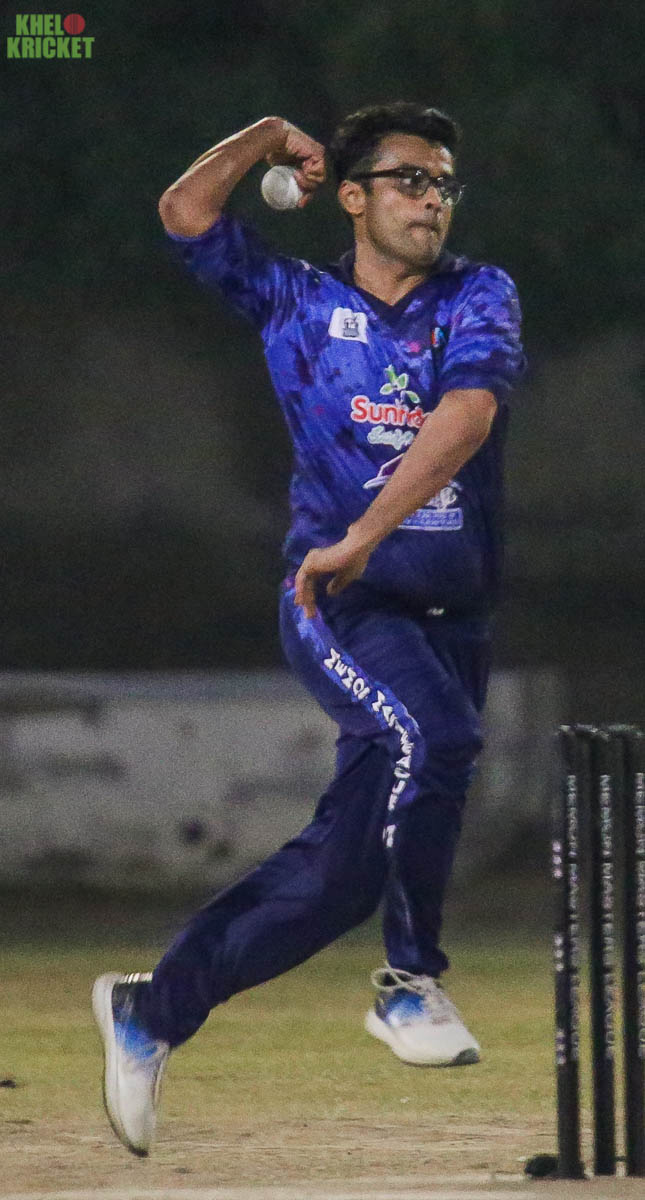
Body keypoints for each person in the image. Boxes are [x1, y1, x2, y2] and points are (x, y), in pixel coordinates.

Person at [92, 102, 525, 1156]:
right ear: (353, 196)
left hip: (449, 614)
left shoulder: (478, 293)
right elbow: (185, 211)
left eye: (443, 183)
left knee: (339, 878)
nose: (431, 199)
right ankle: (410, 983)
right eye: (410, 179)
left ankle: (151, 1009)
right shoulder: (296, 299)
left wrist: (373, 527)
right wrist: (264, 135)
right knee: (442, 737)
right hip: (340, 599)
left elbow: (467, 415)